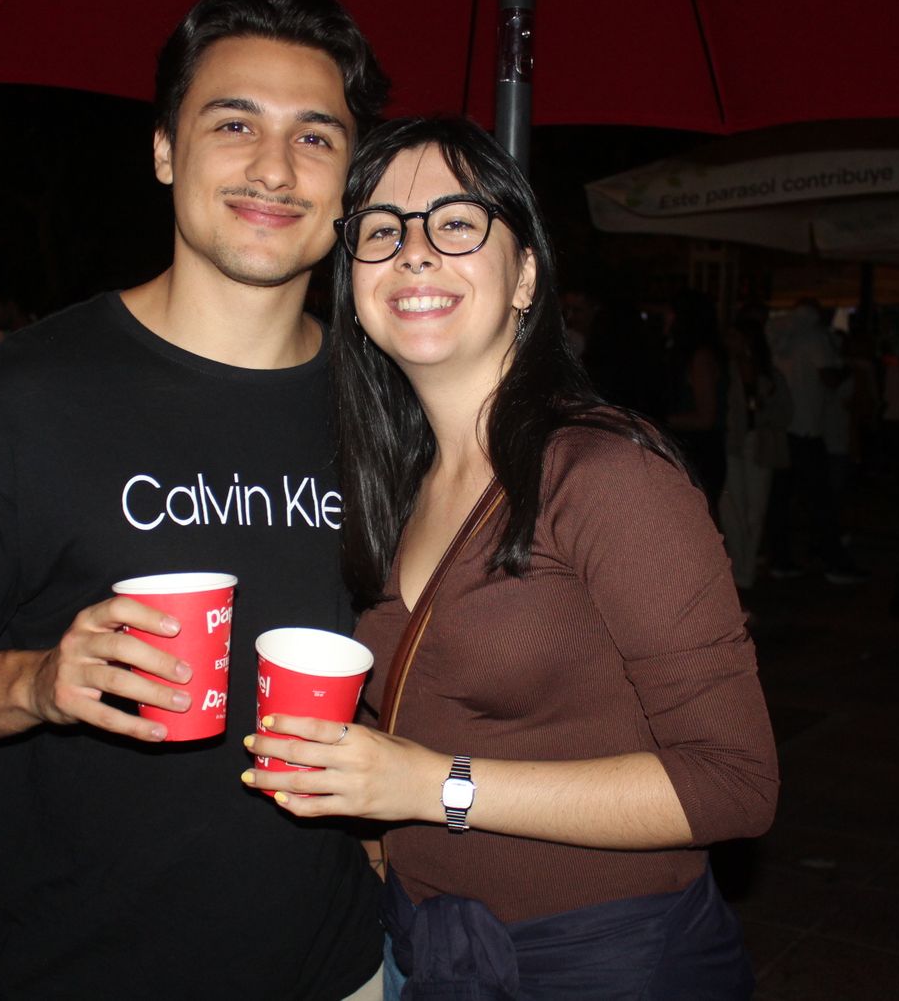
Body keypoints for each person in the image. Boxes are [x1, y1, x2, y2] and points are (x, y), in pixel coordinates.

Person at [0, 0, 389, 1000]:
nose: (274, 167)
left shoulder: (389, 407)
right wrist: (37, 681)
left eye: (315, 138)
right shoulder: (30, 393)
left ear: (351, 180)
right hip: (76, 962)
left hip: (334, 967)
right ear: (164, 151)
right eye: (233, 123)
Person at [244, 118, 779, 997]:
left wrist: (432, 789)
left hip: (606, 962)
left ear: (525, 273)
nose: (413, 251)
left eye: (456, 222)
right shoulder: (396, 483)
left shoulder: (607, 472)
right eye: (381, 230)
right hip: (425, 948)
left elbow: (737, 783)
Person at [765, 299, 869, 584]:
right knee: (821, 500)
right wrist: (851, 369)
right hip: (808, 431)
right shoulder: (815, 337)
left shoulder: (781, 336)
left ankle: (781, 558)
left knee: (782, 500)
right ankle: (833, 561)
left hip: (785, 428)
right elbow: (829, 378)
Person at [720, 307, 791, 591]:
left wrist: (762, 404)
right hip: (732, 443)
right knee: (731, 506)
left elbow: (785, 413)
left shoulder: (770, 375)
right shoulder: (725, 372)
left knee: (754, 509)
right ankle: (739, 566)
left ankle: (745, 570)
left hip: (759, 443)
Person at [663, 287, 728, 520]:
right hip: (692, 448)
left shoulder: (701, 357)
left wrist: (659, 418)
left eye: (671, 312)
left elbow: (706, 417)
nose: (665, 317)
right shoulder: (683, 354)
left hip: (701, 451)